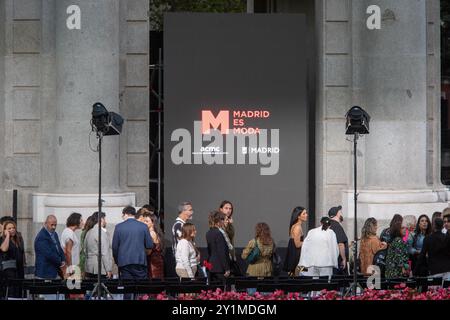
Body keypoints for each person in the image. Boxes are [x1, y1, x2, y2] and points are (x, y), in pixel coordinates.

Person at [112, 206, 154, 286]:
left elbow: (115, 247)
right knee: (141, 287)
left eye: (122, 215)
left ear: (126, 214)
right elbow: (149, 245)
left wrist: (117, 260)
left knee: (127, 288)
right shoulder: (143, 226)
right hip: (140, 261)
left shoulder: (119, 227)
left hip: (124, 262)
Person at [34, 215, 66, 279]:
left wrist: (63, 260)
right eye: (52, 225)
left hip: (53, 271)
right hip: (44, 272)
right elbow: (49, 254)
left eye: (55, 225)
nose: (54, 227)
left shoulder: (55, 234)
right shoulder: (42, 236)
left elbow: (59, 248)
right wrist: (61, 262)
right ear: (46, 223)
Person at [84, 212, 113, 280]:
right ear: (101, 219)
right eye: (104, 219)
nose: (105, 221)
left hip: (89, 267)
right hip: (100, 268)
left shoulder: (89, 232)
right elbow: (104, 252)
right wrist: (108, 269)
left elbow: (85, 250)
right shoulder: (101, 233)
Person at [0, 220, 25, 298]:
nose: (12, 230)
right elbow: (4, 249)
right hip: (9, 273)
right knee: (10, 294)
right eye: (9, 228)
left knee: (19, 294)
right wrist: (7, 235)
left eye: (13, 228)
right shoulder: (2, 239)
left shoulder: (18, 238)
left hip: (19, 271)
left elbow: (22, 252)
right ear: (5, 230)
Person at [206, 211, 231, 282]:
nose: (223, 221)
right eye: (222, 219)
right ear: (218, 221)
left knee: (213, 291)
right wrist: (226, 268)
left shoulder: (208, 233)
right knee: (221, 291)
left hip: (211, 267)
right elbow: (221, 252)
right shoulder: (219, 234)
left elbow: (210, 251)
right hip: (220, 268)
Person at [283, 206, 307, 276]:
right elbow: (297, 244)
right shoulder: (297, 227)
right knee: (296, 278)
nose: (306, 215)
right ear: (298, 216)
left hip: (296, 256)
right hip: (295, 258)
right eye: (304, 213)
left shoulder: (297, 226)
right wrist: (308, 242)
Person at [60, 212, 84, 277]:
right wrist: (70, 268)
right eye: (81, 220)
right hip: (72, 268)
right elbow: (68, 251)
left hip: (73, 266)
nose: (83, 222)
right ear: (76, 220)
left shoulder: (68, 231)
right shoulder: (69, 233)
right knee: (73, 286)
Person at [143, 213, 164, 279]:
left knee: (153, 281)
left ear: (153, 223)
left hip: (153, 262)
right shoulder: (155, 232)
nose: (144, 223)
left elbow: (149, 251)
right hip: (156, 260)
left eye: (147, 221)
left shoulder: (151, 233)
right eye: (144, 221)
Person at [328, 206, 349, 274]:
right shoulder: (337, 226)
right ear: (337, 214)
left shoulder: (328, 225)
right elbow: (340, 244)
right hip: (338, 262)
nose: (341, 214)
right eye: (340, 212)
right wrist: (344, 259)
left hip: (330, 261)